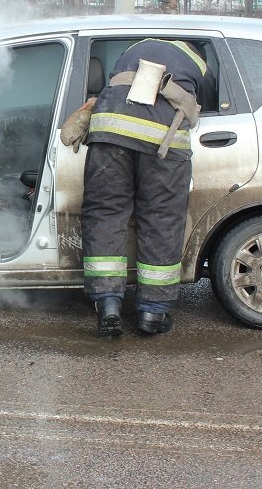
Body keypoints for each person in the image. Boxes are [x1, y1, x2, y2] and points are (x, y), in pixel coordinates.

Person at [78, 39, 215, 337]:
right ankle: (152, 314)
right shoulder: (200, 65)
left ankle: (109, 305)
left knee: (105, 212)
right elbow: (205, 102)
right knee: (161, 218)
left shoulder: (133, 49)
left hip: (110, 129)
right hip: (162, 140)